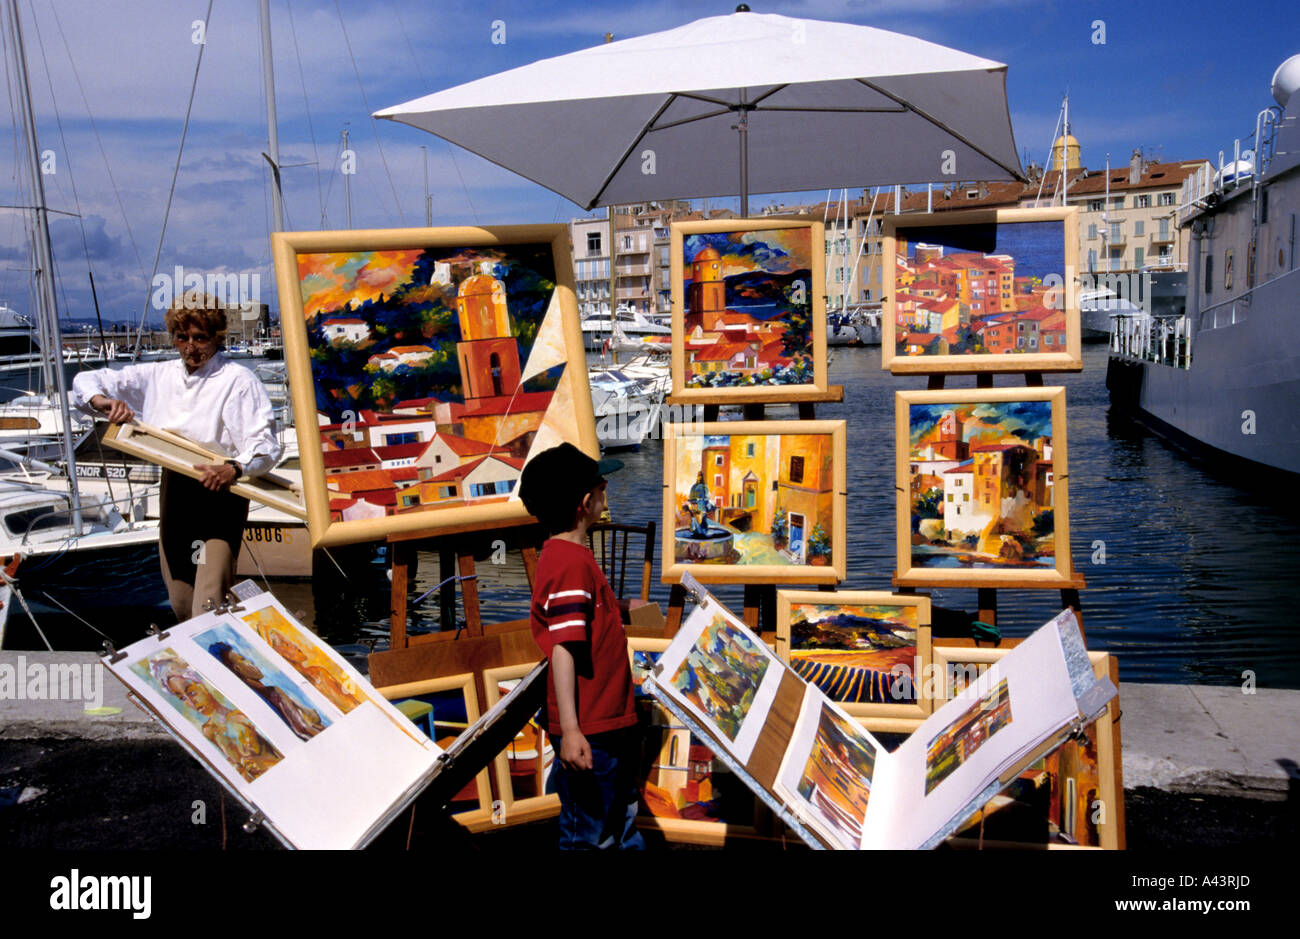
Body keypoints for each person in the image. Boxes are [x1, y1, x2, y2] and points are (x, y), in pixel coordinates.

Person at [71, 292, 282, 621]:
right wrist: (102, 402)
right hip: (175, 488)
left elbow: (266, 445)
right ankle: (200, 663)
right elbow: (87, 379)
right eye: (182, 338)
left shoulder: (238, 380)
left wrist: (234, 468)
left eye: (200, 338)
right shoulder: (160, 375)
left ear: (216, 337)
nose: (190, 347)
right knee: (181, 598)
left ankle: (222, 661)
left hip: (220, 492)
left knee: (210, 599)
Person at [518, 442, 643, 850]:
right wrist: (571, 731)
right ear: (586, 502)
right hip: (592, 726)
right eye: (602, 486)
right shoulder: (569, 564)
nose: (606, 492)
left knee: (619, 820)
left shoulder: (568, 556)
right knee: (589, 835)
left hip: (607, 721)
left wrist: (621, 607)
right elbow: (564, 648)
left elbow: (580, 617)